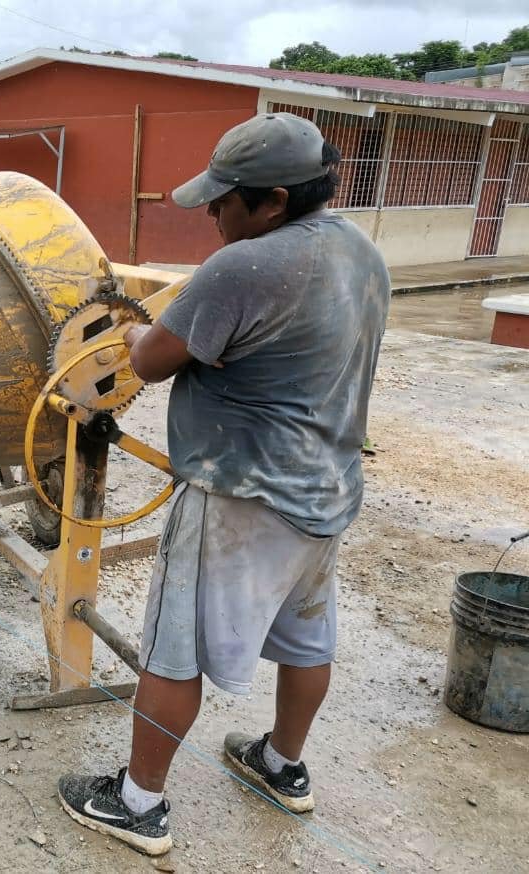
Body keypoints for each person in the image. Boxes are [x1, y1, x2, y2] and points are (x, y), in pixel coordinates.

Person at [56, 113, 390, 856]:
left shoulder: (244, 268)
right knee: (307, 638)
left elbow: (149, 362)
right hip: (324, 492)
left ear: (272, 200)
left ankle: (139, 804)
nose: (211, 213)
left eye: (223, 199)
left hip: (240, 496)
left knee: (174, 651)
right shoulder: (362, 254)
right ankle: (282, 765)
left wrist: (136, 333)